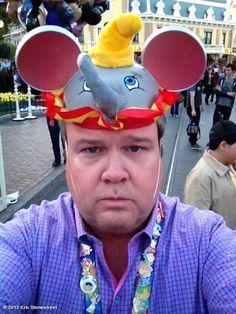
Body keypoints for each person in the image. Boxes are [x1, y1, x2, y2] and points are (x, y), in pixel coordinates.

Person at [1, 14, 236, 313]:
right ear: (67, 155)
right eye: (91, 149)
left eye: (136, 147)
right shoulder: (27, 240)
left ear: (159, 154)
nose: (115, 174)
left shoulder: (208, 244)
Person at [184, 120, 236, 229]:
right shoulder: (201, 177)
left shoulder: (228, 164)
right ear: (223, 145)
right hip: (222, 244)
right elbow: (196, 226)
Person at [41, 92, 66, 167]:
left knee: (64, 138)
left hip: (62, 115)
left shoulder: (62, 88)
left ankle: (66, 157)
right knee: (54, 139)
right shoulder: (47, 89)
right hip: (51, 116)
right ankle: (57, 159)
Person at [186, 79, 204, 149]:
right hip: (192, 108)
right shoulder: (193, 84)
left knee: (194, 123)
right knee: (194, 125)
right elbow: (192, 97)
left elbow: (199, 95)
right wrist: (193, 109)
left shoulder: (198, 83)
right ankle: (193, 142)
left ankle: (191, 139)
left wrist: (201, 104)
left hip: (196, 107)